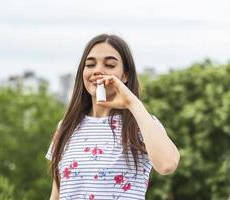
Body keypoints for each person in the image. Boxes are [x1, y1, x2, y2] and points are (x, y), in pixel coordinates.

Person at [45, 34, 180, 200]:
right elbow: (57, 195)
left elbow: (167, 164)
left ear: (125, 75)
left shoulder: (140, 123)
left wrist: (132, 103)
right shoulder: (66, 127)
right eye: (90, 64)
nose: (98, 70)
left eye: (109, 65)